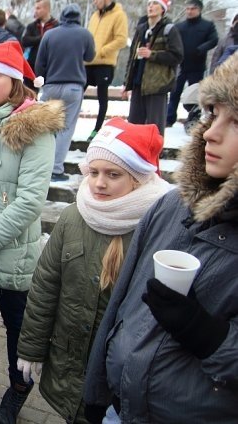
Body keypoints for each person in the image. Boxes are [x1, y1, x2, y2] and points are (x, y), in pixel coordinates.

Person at [84, 51, 238, 424]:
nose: (212, 133)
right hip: (119, 410)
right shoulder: (171, 207)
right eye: (214, 114)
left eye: (236, 121)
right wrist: (97, 392)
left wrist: (211, 338)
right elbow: (121, 305)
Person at [17, 118, 170, 423]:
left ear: (138, 177)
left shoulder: (157, 225)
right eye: (94, 172)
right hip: (71, 361)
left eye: (113, 174)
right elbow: (46, 285)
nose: (99, 183)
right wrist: (31, 348)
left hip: (122, 375)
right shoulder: (74, 216)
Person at [0, 41, 64, 424]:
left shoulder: (35, 129)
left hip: (11, 255)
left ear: (16, 80)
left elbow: (29, 203)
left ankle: (17, 393)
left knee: (19, 332)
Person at [35, 3, 95, 182]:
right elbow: (90, 56)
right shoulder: (85, 34)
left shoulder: (50, 34)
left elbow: (39, 63)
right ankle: (55, 170)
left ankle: (39, 167)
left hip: (51, 85)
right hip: (73, 86)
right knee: (65, 129)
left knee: (45, 128)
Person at [123, 0, 183, 135]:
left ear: (163, 9)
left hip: (157, 85)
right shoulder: (141, 29)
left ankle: (153, 155)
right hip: (138, 83)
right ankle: (133, 155)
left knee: (154, 128)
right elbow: (132, 58)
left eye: (155, 4)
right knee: (134, 127)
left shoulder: (169, 29)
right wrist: (127, 82)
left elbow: (177, 56)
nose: (150, 7)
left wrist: (152, 54)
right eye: (149, 4)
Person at [166, 0, 218, 127]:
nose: (189, 11)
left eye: (192, 9)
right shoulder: (179, 26)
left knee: (195, 95)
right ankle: (169, 118)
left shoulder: (207, 26)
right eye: (187, 9)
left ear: (199, 10)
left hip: (197, 66)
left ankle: (193, 118)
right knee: (174, 93)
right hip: (180, 65)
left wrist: (201, 49)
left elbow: (214, 40)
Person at [85, 0, 129, 141]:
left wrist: (103, 50)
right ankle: (65, 125)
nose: (95, 2)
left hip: (105, 63)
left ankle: (97, 129)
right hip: (88, 62)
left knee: (102, 97)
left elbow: (121, 39)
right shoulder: (95, 16)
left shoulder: (119, 15)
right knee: (77, 91)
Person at [22, 0, 59, 93]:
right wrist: (41, 38)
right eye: (35, 8)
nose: (36, 11)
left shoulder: (56, 26)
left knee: (50, 96)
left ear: (46, 9)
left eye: (38, 8)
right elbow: (25, 41)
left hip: (50, 66)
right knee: (30, 95)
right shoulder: (32, 26)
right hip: (32, 66)